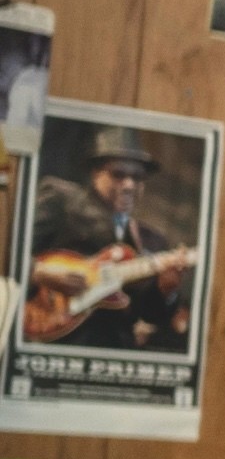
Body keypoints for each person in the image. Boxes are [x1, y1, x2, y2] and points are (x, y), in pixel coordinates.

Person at [29, 127, 188, 352]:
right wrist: (37, 272)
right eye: (118, 174)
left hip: (114, 352)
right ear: (95, 173)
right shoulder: (60, 200)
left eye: (137, 177)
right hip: (54, 344)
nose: (129, 185)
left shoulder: (151, 240)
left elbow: (150, 313)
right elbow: (8, 248)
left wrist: (166, 289)